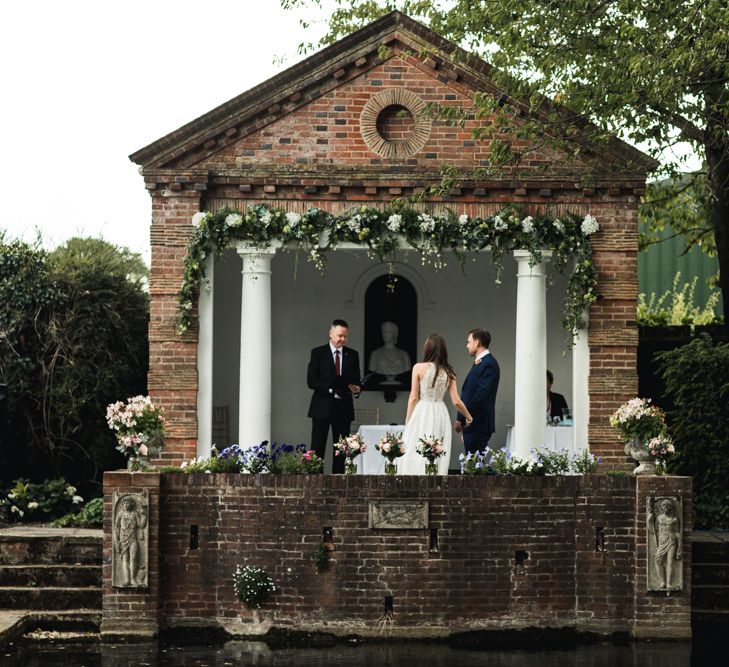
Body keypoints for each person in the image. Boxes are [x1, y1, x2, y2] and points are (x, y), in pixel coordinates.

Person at [398, 334, 472, 475]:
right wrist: (469, 418)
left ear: (428, 349)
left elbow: (413, 397)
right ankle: (435, 481)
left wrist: (408, 419)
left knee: (416, 446)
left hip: (421, 410)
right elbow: (456, 400)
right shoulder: (450, 371)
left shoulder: (418, 368)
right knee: (437, 449)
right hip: (440, 412)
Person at [307, 319, 361, 474]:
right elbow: (311, 381)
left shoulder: (353, 355)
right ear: (330, 334)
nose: (342, 339)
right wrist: (332, 390)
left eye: (345, 336)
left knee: (341, 450)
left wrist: (357, 389)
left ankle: (338, 483)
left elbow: (357, 380)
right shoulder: (317, 353)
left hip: (343, 408)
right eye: (339, 336)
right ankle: (315, 483)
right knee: (317, 447)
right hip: (321, 406)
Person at [455, 329, 500, 454]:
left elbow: (480, 396)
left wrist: (465, 418)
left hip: (478, 423)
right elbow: (468, 392)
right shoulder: (480, 363)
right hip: (472, 423)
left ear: (477, 342)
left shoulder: (489, 364)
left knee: (474, 467)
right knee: (473, 465)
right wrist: (460, 418)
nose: (467, 345)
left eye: (469, 342)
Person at [649, 498, 682, 590]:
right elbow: (653, 531)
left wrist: (679, 547)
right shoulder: (659, 518)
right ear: (661, 508)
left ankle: (668, 583)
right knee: (657, 560)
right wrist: (649, 521)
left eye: (668, 506)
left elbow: (677, 533)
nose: (666, 508)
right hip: (662, 541)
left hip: (671, 541)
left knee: (670, 562)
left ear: (671, 508)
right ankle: (662, 581)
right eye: (664, 506)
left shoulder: (674, 519)